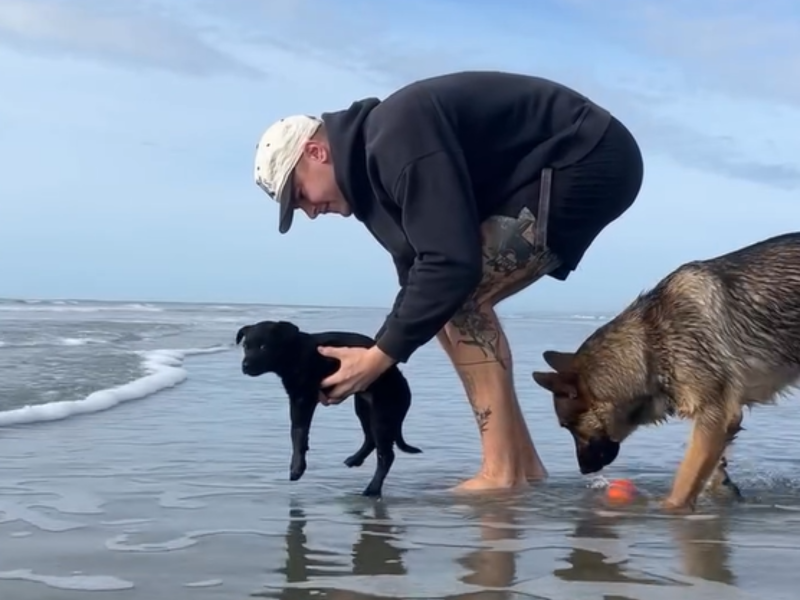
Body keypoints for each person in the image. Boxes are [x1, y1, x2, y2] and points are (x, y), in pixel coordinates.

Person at [252, 71, 644, 492]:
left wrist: (378, 359)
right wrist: (371, 357)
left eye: (299, 195)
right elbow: (418, 283)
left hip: (588, 154)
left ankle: (501, 474)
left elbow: (451, 268)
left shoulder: (394, 137)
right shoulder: (372, 186)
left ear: (315, 152)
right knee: (443, 303)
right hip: (549, 168)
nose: (309, 212)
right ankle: (521, 466)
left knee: (459, 296)